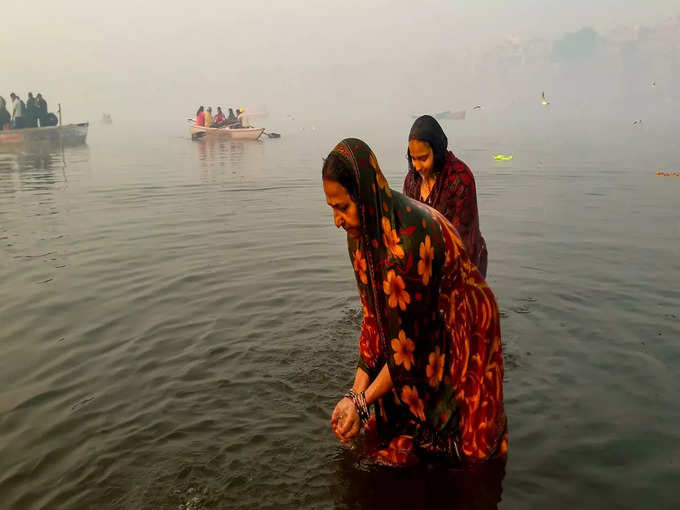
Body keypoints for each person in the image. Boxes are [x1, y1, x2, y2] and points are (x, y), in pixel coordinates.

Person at [323, 138, 507, 467]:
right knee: (395, 423)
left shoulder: (405, 248)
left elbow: (410, 347)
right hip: (423, 316)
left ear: (364, 197)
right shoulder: (360, 238)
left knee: (471, 447)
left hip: (464, 313)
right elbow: (373, 320)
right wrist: (354, 394)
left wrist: (362, 405)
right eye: (332, 208)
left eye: (343, 208)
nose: (336, 220)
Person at [403, 115, 488, 278]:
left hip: (463, 268)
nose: (417, 166)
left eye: (423, 158)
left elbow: (460, 239)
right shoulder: (412, 181)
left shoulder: (460, 179)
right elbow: (407, 227)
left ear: (437, 150)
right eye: (413, 158)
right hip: (425, 266)